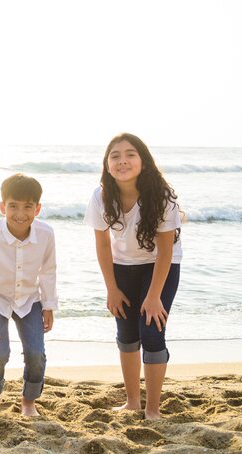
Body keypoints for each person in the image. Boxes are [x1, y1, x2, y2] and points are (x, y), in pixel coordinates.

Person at [85, 133, 182, 420]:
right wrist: (111, 288)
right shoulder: (101, 195)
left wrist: (153, 297)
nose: (122, 161)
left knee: (152, 331)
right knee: (126, 334)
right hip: (123, 266)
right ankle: (132, 402)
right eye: (115, 156)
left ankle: (152, 408)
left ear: (143, 160)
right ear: (107, 163)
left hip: (160, 266)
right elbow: (102, 244)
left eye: (130, 154)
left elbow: (165, 250)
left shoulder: (161, 194)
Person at [0, 173, 57, 418]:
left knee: (36, 353)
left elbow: (48, 271)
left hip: (30, 300)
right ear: (2, 207)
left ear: (37, 209)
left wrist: (49, 305)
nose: (20, 213)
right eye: (13, 206)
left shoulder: (47, 235)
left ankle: (29, 401)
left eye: (28, 207)